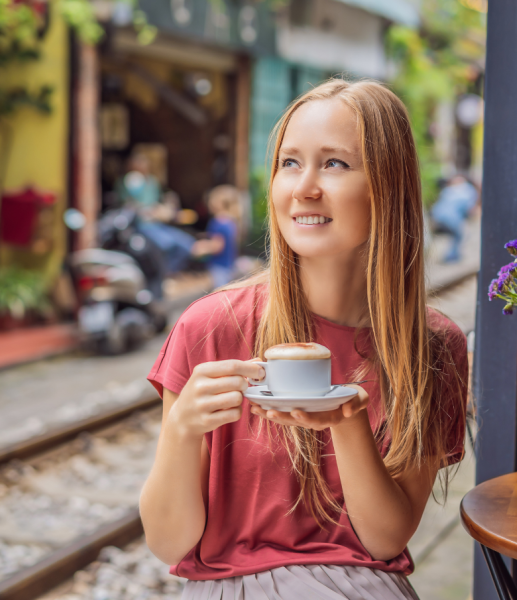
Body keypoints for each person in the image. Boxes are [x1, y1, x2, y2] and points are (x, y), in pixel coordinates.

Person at [140, 79, 469, 600]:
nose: (304, 187)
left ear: (388, 185)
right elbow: (167, 541)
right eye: (289, 163)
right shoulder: (210, 326)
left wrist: (347, 420)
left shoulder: (431, 347)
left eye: (334, 164)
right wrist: (181, 432)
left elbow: (385, 541)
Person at [192, 185, 241, 288]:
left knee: (220, 294)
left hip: (219, 266)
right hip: (230, 265)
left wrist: (201, 247)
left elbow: (217, 246)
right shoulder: (231, 221)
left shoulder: (218, 221)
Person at [429, 174, 478, 263]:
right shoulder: (470, 191)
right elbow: (470, 210)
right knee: (459, 235)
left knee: (452, 235)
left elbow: (438, 204)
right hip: (451, 218)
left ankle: (448, 255)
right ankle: (452, 256)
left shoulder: (448, 190)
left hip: (436, 216)